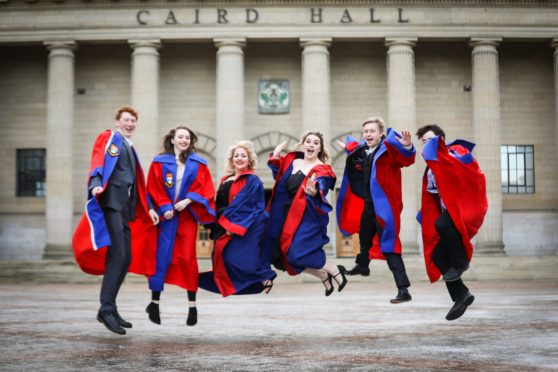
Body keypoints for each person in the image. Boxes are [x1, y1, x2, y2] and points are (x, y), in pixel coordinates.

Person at [72, 105, 159, 335]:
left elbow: (138, 183)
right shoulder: (110, 137)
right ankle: (106, 309)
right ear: (118, 121)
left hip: (125, 209)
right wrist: (95, 184)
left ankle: (109, 307)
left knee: (125, 257)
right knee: (119, 254)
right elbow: (99, 161)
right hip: (111, 203)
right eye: (127, 120)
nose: (130, 124)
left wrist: (148, 207)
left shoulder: (130, 147)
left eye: (133, 121)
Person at [336, 117, 415, 304]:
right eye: (366, 131)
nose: (369, 134)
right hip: (368, 204)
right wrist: (348, 148)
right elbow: (357, 150)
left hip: (385, 206)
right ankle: (363, 266)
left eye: (372, 131)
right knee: (364, 237)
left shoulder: (390, 150)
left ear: (381, 133)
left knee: (389, 246)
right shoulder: (363, 150)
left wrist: (407, 146)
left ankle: (403, 290)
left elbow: (406, 160)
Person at [415, 124, 487, 321]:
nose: (426, 144)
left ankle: (461, 261)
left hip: (466, 209)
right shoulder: (431, 168)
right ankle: (461, 295)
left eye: (430, 140)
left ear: (441, 140)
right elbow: (434, 196)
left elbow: (464, 168)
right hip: (450, 212)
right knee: (438, 256)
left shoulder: (455, 151)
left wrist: (441, 157)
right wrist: (424, 215)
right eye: (423, 142)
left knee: (443, 225)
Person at [145, 126, 215, 326]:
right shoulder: (159, 162)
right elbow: (153, 187)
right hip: (166, 217)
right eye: (181, 137)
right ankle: (154, 304)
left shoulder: (199, 163)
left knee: (187, 258)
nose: (184, 140)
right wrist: (164, 207)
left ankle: (192, 307)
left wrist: (189, 200)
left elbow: (205, 187)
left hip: (186, 217)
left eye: (188, 137)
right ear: (173, 139)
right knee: (161, 258)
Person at [264, 131, 347, 296]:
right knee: (282, 257)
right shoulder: (292, 162)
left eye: (316, 143)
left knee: (295, 256)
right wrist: (276, 155)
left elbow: (321, 184)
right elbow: (279, 178)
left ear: (319, 148)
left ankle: (332, 268)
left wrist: (315, 191)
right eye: (308, 141)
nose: (311, 145)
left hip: (306, 217)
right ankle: (322, 274)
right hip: (284, 215)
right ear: (303, 144)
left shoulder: (322, 169)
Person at [199, 141, 277, 296]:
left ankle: (264, 277)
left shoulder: (252, 179)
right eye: (236, 156)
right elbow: (219, 203)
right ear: (232, 159)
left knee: (237, 258)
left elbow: (246, 205)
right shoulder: (225, 180)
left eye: (243, 156)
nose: (240, 158)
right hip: (226, 223)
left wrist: (232, 226)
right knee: (225, 257)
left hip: (245, 225)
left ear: (249, 160)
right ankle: (258, 280)